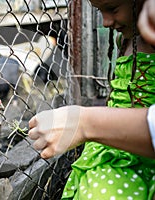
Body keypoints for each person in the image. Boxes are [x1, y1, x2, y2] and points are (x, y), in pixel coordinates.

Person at [28, 0, 155, 199]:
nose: (104, 22)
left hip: (138, 149)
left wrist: (83, 123)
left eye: (112, 9)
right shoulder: (127, 39)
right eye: (99, 11)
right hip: (112, 144)